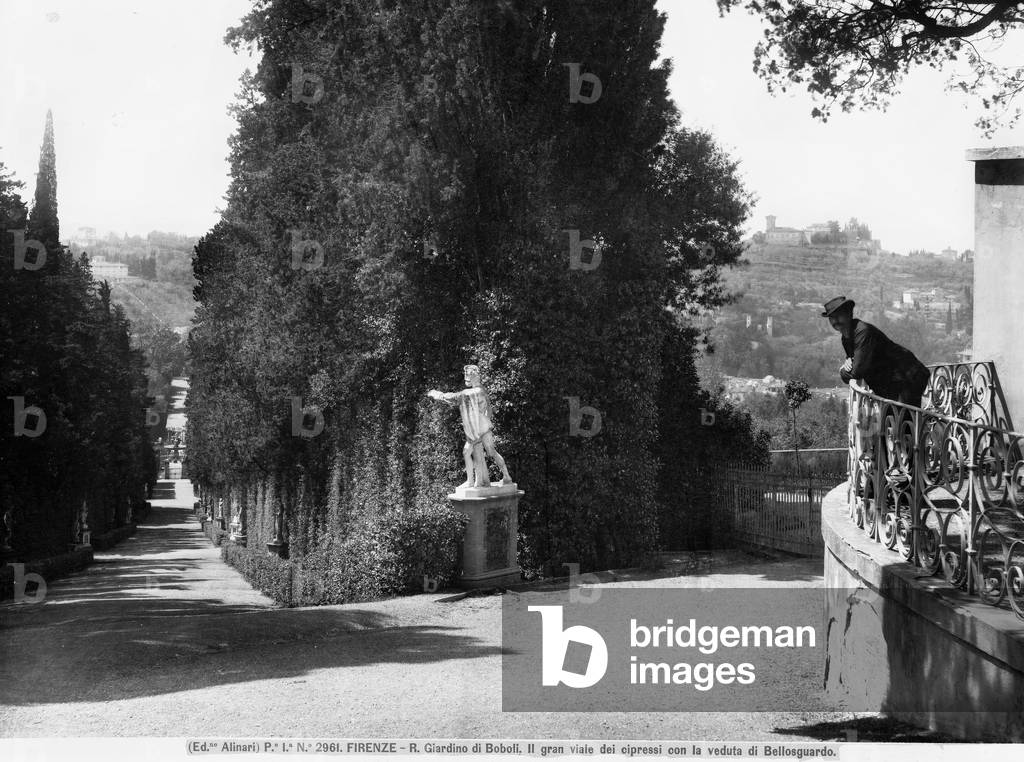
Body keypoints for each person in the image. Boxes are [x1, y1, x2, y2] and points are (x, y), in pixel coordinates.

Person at [822, 296, 931, 407]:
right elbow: (853, 360)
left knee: (904, 419)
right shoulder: (846, 338)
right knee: (895, 419)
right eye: (832, 317)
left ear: (849, 314)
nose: (835, 320)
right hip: (892, 382)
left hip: (908, 376)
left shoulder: (863, 332)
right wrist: (848, 360)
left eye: (839, 315)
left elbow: (857, 371)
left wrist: (842, 371)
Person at [427, 364, 514, 489]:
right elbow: (488, 409)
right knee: (483, 452)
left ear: (474, 376)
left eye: (467, 375)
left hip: (478, 428)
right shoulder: (481, 390)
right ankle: (502, 477)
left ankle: (474, 480)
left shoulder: (475, 392)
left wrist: (440, 395)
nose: (465, 378)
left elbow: (457, 397)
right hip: (482, 426)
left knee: (477, 452)